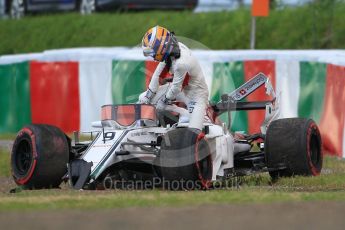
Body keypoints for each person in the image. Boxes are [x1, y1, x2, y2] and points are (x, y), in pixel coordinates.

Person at [139, 25, 209, 131]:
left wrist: (164, 101)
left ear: (161, 47)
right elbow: (157, 76)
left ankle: (199, 116)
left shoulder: (181, 62)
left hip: (196, 94)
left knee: (194, 133)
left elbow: (176, 88)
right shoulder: (171, 50)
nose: (153, 57)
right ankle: (148, 130)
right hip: (180, 87)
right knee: (143, 98)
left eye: (153, 52)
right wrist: (148, 97)